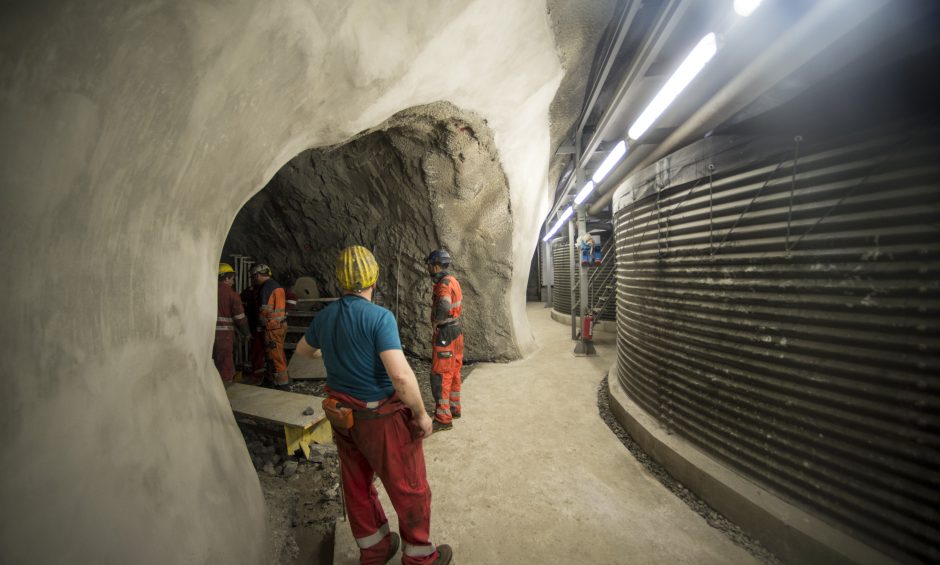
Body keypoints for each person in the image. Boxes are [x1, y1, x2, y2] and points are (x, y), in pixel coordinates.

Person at [294, 245, 452, 565]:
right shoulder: (379, 318)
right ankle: (421, 558)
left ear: (340, 280)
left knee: (357, 485)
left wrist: (331, 351)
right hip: (380, 419)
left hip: (344, 418)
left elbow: (302, 351)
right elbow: (401, 377)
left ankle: (376, 549)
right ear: (374, 278)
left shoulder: (325, 317)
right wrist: (422, 415)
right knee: (410, 487)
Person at [425, 249, 464, 433]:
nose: (429, 269)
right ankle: (454, 407)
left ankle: (443, 417)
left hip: (446, 333)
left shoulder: (442, 285)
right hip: (457, 331)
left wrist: (437, 323)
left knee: (440, 375)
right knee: (454, 370)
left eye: (430, 265)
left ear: (437, 265)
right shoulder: (454, 281)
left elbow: (444, 305)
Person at [250, 263, 290, 389]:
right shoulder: (277, 286)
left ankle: (283, 385)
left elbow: (264, 311)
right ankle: (271, 380)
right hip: (280, 325)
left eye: (253, 276)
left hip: (272, 327)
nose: (253, 279)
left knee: (275, 357)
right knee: (277, 354)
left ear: (258, 275)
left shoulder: (265, 288)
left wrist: (259, 325)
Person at [214, 263, 249, 385]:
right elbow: (240, 318)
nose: (233, 283)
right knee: (225, 365)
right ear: (226, 278)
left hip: (205, 334)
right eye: (232, 279)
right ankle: (224, 395)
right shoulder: (231, 294)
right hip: (224, 335)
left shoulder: (206, 289)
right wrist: (246, 333)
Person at [240, 279, 267, 385]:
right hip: (256, 326)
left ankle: (263, 375)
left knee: (267, 351)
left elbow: (292, 298)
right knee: (257, 350)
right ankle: (258, 375)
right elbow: (240, 301)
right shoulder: (251, 291)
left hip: (267, 326)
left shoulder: (270, 289)